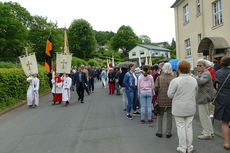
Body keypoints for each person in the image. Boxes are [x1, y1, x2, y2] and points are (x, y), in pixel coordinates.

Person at [168, 60, 198, 153]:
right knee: (189, 127)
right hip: (190, 106)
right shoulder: (194, 80)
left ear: (179, 69)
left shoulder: (175, 81)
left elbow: (170, 94)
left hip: (179, 107)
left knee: (181, 127)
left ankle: (182, 147)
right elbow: (195, 93)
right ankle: (189, 147)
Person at [155, 63, 175, 138]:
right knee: (169, 116)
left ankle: (159, 131)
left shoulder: (159, 78)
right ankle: (168, 132)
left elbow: (156, 88)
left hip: (161, 99)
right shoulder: (174, 77)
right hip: (171, 99)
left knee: (160, 115)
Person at [214, 56, 230, 150]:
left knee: (225, 122)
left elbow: (215, 86)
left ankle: (227, 143)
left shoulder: (218, 73)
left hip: (222, 99)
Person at [195, 59, 214, 140]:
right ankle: (210, 132)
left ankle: (207, 133)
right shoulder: (203, 72)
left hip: (204, 97)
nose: (198, 67)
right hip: (204, 97)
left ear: (205, 66)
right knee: (206, 116)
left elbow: (201, 82)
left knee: (203, 116)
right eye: (197, 65)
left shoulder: (205, 73)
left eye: (200, 65)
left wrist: (192, 76)